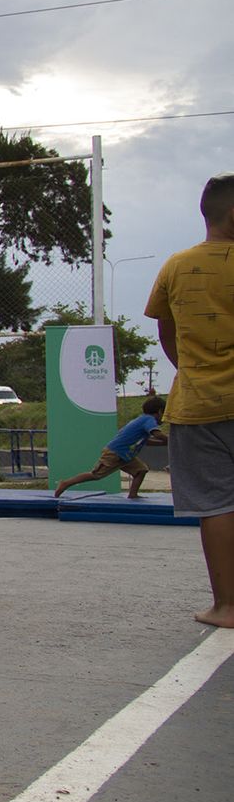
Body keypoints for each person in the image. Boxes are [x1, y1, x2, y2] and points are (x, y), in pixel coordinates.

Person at [145, 173, 234, 628]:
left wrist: (194, 369)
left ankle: (226, 606)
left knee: (216, 504)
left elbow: (166, 333)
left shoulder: (177, 267)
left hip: (200, 405)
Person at [53, 396, 166, 500]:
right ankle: (65, 483)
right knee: (96, 475)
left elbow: (146, 441)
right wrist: (171, 440)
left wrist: (164, 443)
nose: (164, 419)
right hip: (115, 453)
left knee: (141, 470)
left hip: (126, 455)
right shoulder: (149, 420)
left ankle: (133, 495)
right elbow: (158, 435)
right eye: (164, 414)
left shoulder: (143, 420)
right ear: (160, 411)